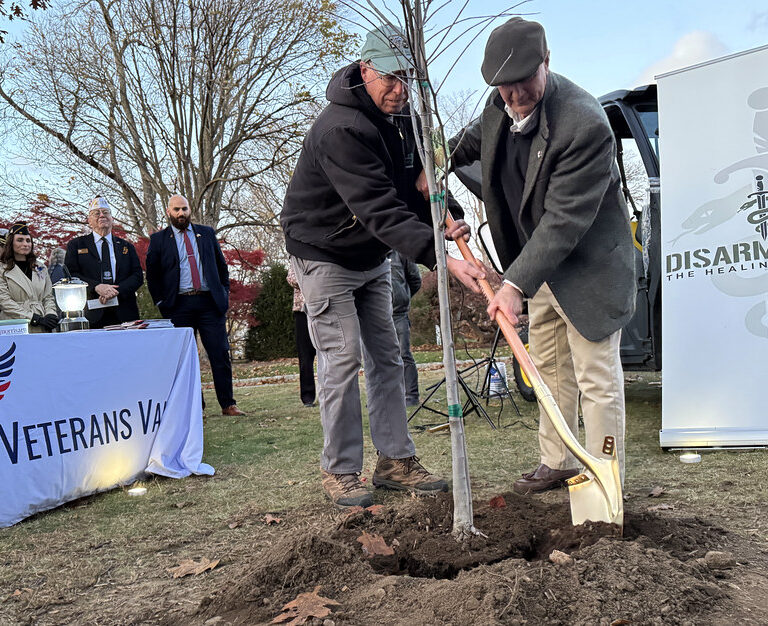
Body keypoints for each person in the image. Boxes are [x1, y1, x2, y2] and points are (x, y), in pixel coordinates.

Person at [280, 25, 485, 508]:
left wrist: (447, 214)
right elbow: (378, 206)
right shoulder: (341, 129)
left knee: (387, 356)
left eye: (407, 79)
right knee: (343, 356)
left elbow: (414, 183)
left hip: (371, 251)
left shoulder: (404, 119)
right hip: (324, 250)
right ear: (365, 69)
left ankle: (395, 461)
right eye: (390, 79)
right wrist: (439, 256)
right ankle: (341, 471)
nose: (399, 90)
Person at [450, 18, 635, 493]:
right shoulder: (498, 108)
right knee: (547, 368)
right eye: (503, 87)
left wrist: (512, 286)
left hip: (588, 268)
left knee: (595, 377)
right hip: (540, 270)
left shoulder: (585, 124)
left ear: (547, 63)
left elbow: (564, 221)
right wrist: (432, 167)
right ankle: (557, 462)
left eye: (523, 82)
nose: (514, 96)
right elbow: (465, 146)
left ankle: (603, 477)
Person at [145, 194, 245, 417]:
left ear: (190, 210)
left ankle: (228, 404)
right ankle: (195, 408)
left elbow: (222, 267)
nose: (181, 213)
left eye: (184, 209)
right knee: (186, 360)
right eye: (176, 210)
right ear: (168, 212)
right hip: (179, 305)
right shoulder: (159, 240)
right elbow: (153, 276)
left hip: (210, 302)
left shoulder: (207, 234)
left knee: (220, 353)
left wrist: (224, 294)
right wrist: (162, 303)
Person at [64, 196, 144, 328]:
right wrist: (96, 287)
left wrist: (116, 290)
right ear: (90, 221)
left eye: (106, 212)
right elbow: (71, 274)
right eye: (97, 213)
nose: (102, 216)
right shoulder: (76, 245)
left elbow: (137, 276)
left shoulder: (126, 247)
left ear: (112, 219)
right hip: (91, 314)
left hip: (125, 313)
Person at [0, 222, 58, 332]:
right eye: (20, 240)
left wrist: (51, 314)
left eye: (28, 240)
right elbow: (4, 302)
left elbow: (48, 297)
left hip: (43, 323)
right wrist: (33, 318)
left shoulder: (40, 267)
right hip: (15, 325)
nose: (26, 244)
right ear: (10, 243)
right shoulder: (2, 269)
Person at [389, 250, 421, 406]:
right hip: (376, 315)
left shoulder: (401, 252)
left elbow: (415, 280)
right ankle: (383, 395)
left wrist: (403, 297)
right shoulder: (369, 250)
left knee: (404, 354)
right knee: (379, 358)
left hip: (399, 314)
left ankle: (411, 395)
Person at [286, 264, 316, 407]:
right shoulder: (295, 256)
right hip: (301, 310)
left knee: (327, 354)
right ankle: (308, 397)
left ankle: (328, 393)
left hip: (323, 306)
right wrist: (312, 278)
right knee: (305, 356)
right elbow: (291, 278)